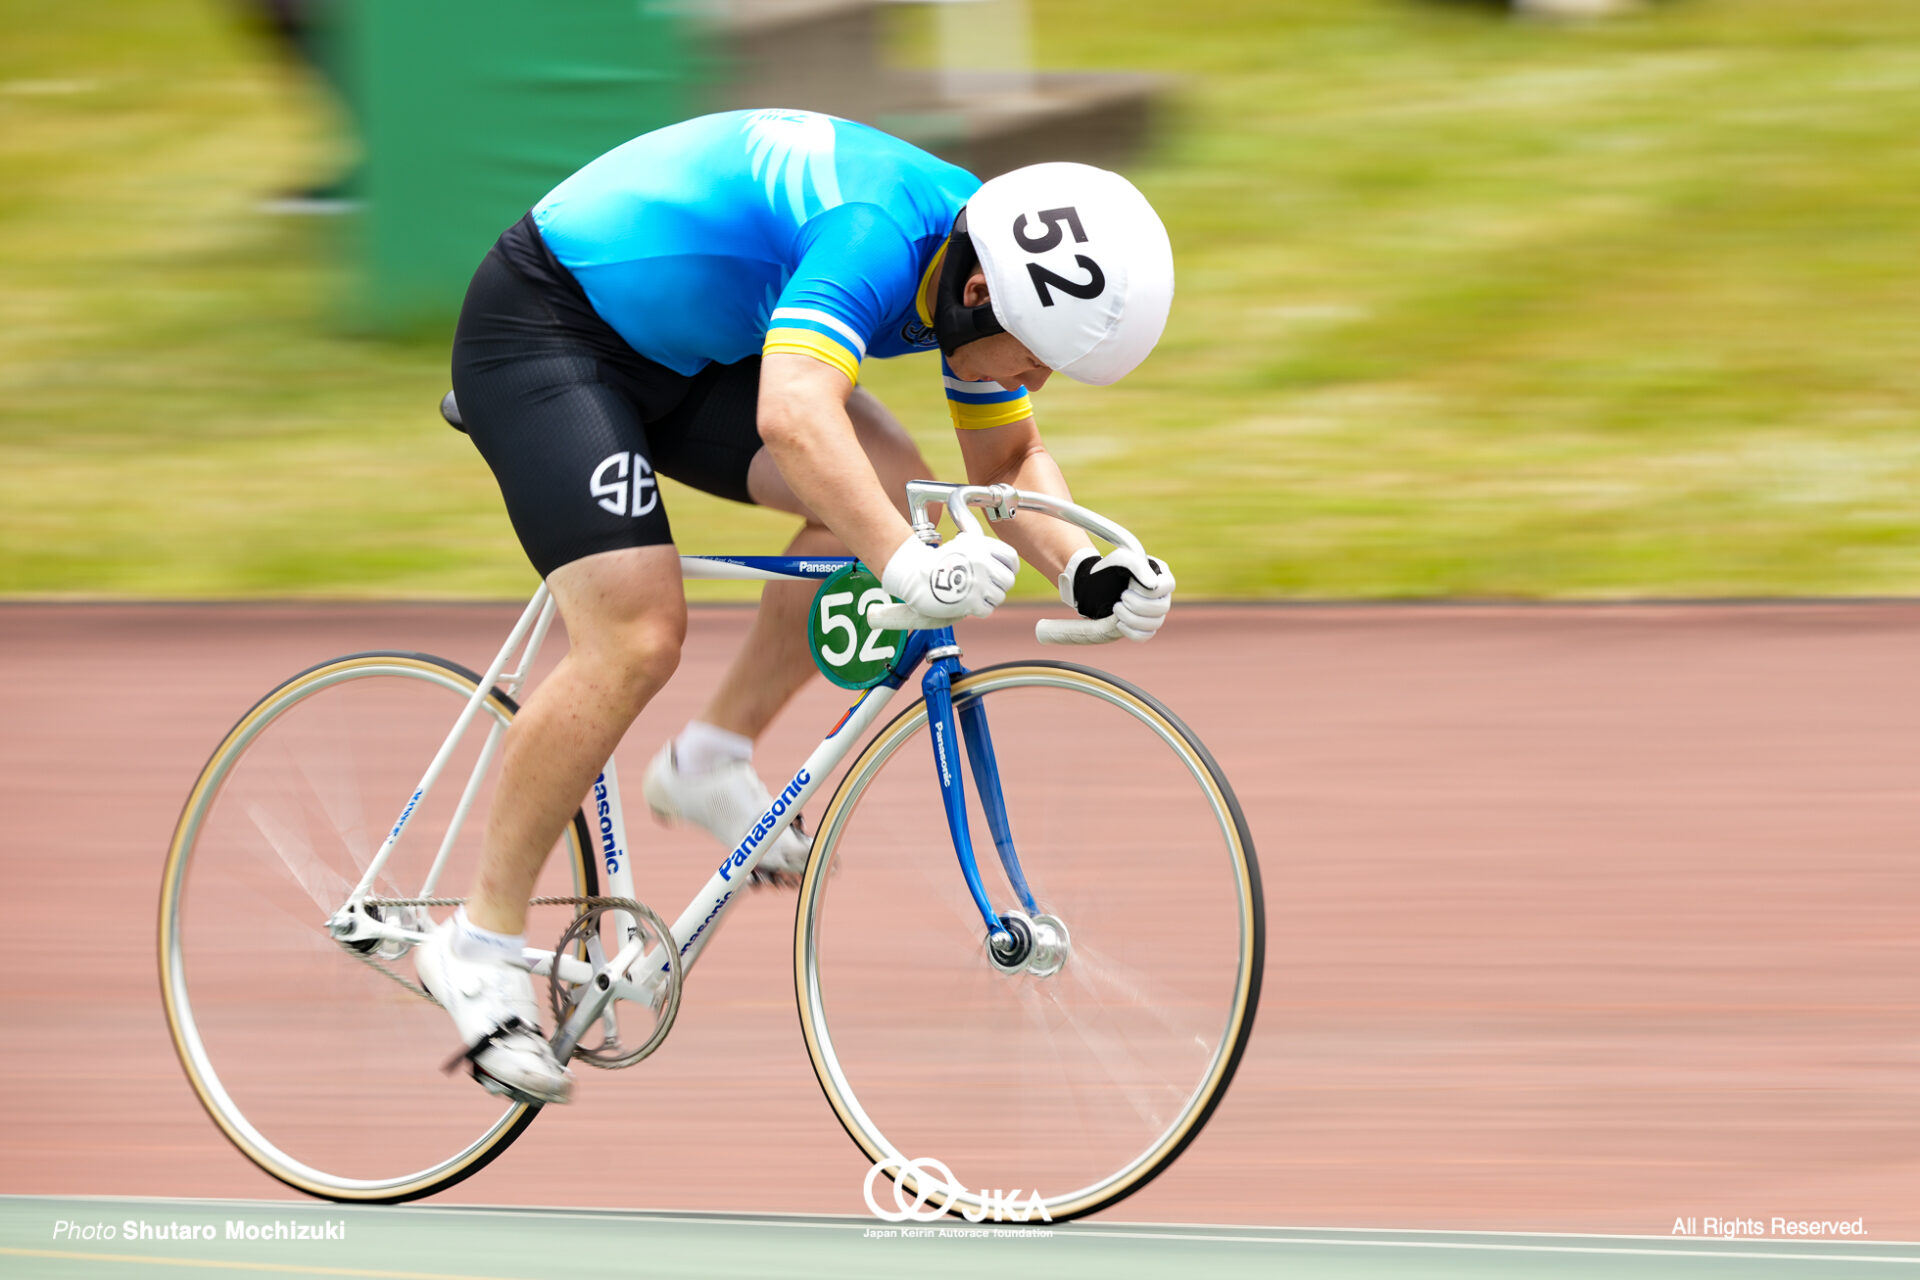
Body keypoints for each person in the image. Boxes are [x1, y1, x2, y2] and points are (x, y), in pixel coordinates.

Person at [417, 108, 1177, 1104]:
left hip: (692, 346)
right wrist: (907, 564)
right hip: (552, 328)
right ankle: (476, 940)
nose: (1036, 381)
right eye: (1035, 354)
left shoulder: (976, 265)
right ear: (980, 289)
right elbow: (792, 411)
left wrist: (1086, 568)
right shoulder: (878, 233)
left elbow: (1002, 462)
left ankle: (709, 757)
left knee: (883, 494)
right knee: (639, 634)